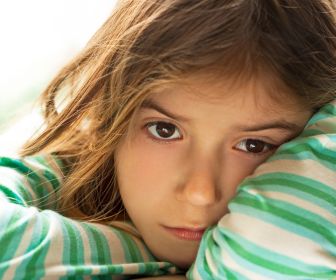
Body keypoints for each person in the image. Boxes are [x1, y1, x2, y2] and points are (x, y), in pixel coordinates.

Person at [0, 0, 335, 279]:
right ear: (111, 119)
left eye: (254, 145)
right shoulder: (76, 163)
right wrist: (137, 251)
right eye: (164, 130)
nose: (200, 193)